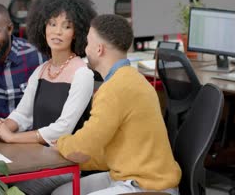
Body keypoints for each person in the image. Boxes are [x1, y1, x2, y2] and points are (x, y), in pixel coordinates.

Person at [52, 14, 181, 195]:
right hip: (127, 175)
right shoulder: (132, 78)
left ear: (99, 50)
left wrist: (61, 144)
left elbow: (83, 146)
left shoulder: (114, 89)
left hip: (147, 186)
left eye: (88, 43)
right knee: (61, 193)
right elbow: (104, 150)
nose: (85, 49)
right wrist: (75, 154)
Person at [0, 0, 97, 195]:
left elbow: (63, 129)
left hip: (64, 162)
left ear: (77, 33)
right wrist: (2, 126)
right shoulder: (41, 70)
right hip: (36, 157)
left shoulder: (82, 74)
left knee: (13, 189)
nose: (57, 31)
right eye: (52, 24)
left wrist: (12, 138)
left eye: (67, 26)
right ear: (42, 27)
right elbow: (23, 114)